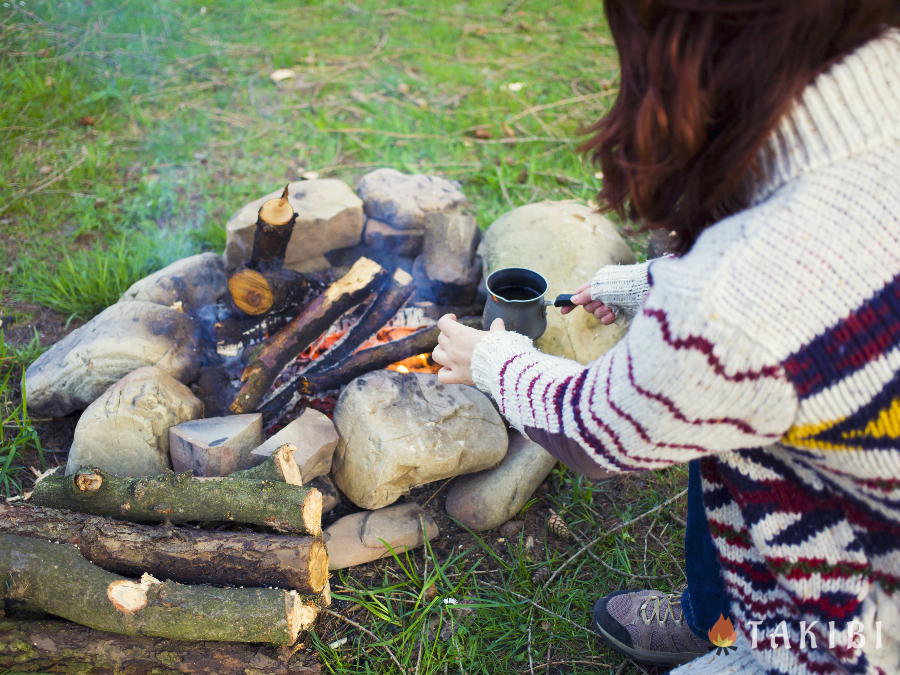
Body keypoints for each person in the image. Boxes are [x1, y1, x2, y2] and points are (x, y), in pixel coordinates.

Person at [431, 2, 900, 674]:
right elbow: (818, 261)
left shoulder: (730, 300)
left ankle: (728, 629)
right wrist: (645, 284)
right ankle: (717, 611)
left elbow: (598, 430)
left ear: (682, 49)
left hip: (860, 638)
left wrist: (493, 361)